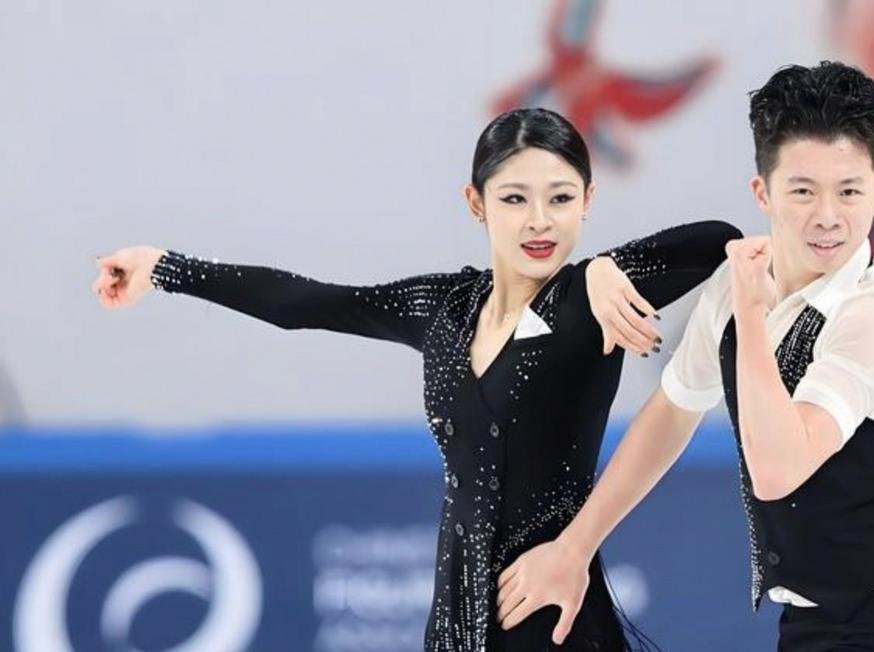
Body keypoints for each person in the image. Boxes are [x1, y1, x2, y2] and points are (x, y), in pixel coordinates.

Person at [92, 107, 741, 651]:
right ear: (476, 203)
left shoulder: (588, 302)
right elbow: (306, 303)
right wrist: (165, 268)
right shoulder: (443, 308)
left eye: (561, 198)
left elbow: (719, 238)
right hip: (455, 618)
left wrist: (603, 267)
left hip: (546, 603)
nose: (540, 221)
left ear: (588, 201)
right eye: (514, 198)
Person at [496, 63, 874, 651]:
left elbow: (778, 468)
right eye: (803, 191)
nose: (828, 216)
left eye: (849, 191)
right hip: (807, 627)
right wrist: (574, 548)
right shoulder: (735, 283)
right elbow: (673, 411)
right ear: (763, 193)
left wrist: (749, 313)